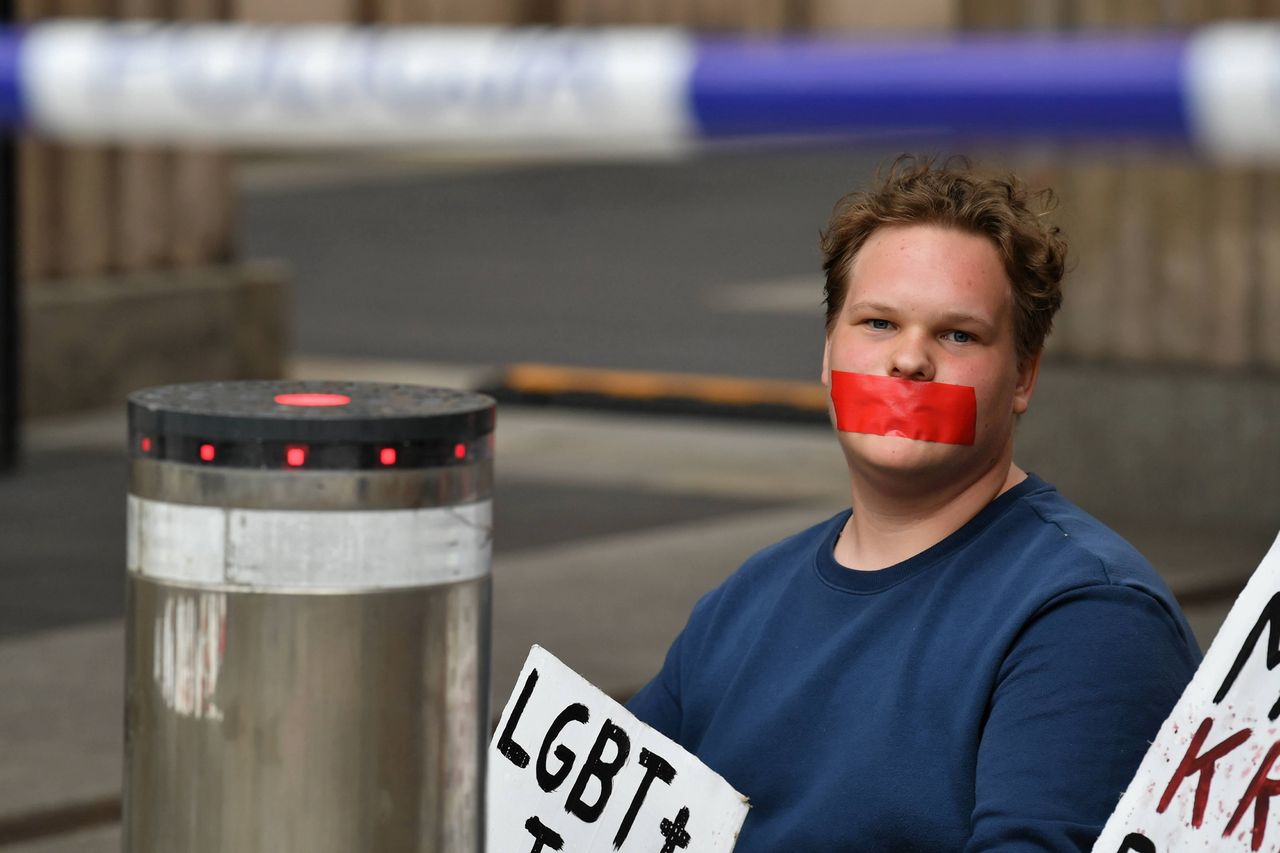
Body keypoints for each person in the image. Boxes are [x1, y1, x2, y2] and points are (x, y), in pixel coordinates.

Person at [626, 157, 1202, 851]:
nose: (908, 361)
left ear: (1023, 374)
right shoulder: (741, 605)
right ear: (826, 351)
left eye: (957, 334)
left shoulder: (1091, 619)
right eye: (877, 323)